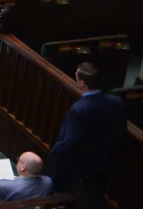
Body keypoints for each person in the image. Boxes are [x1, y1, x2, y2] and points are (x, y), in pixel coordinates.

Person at [51, 62, 126, 208]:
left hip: (77, 162)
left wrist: (56, 151)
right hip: (103, 160)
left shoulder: (79, 110)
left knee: (60, 194)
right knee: (96, 198)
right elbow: (121, 133)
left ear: (82, 83)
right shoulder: (116, 102)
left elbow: (70, 143)